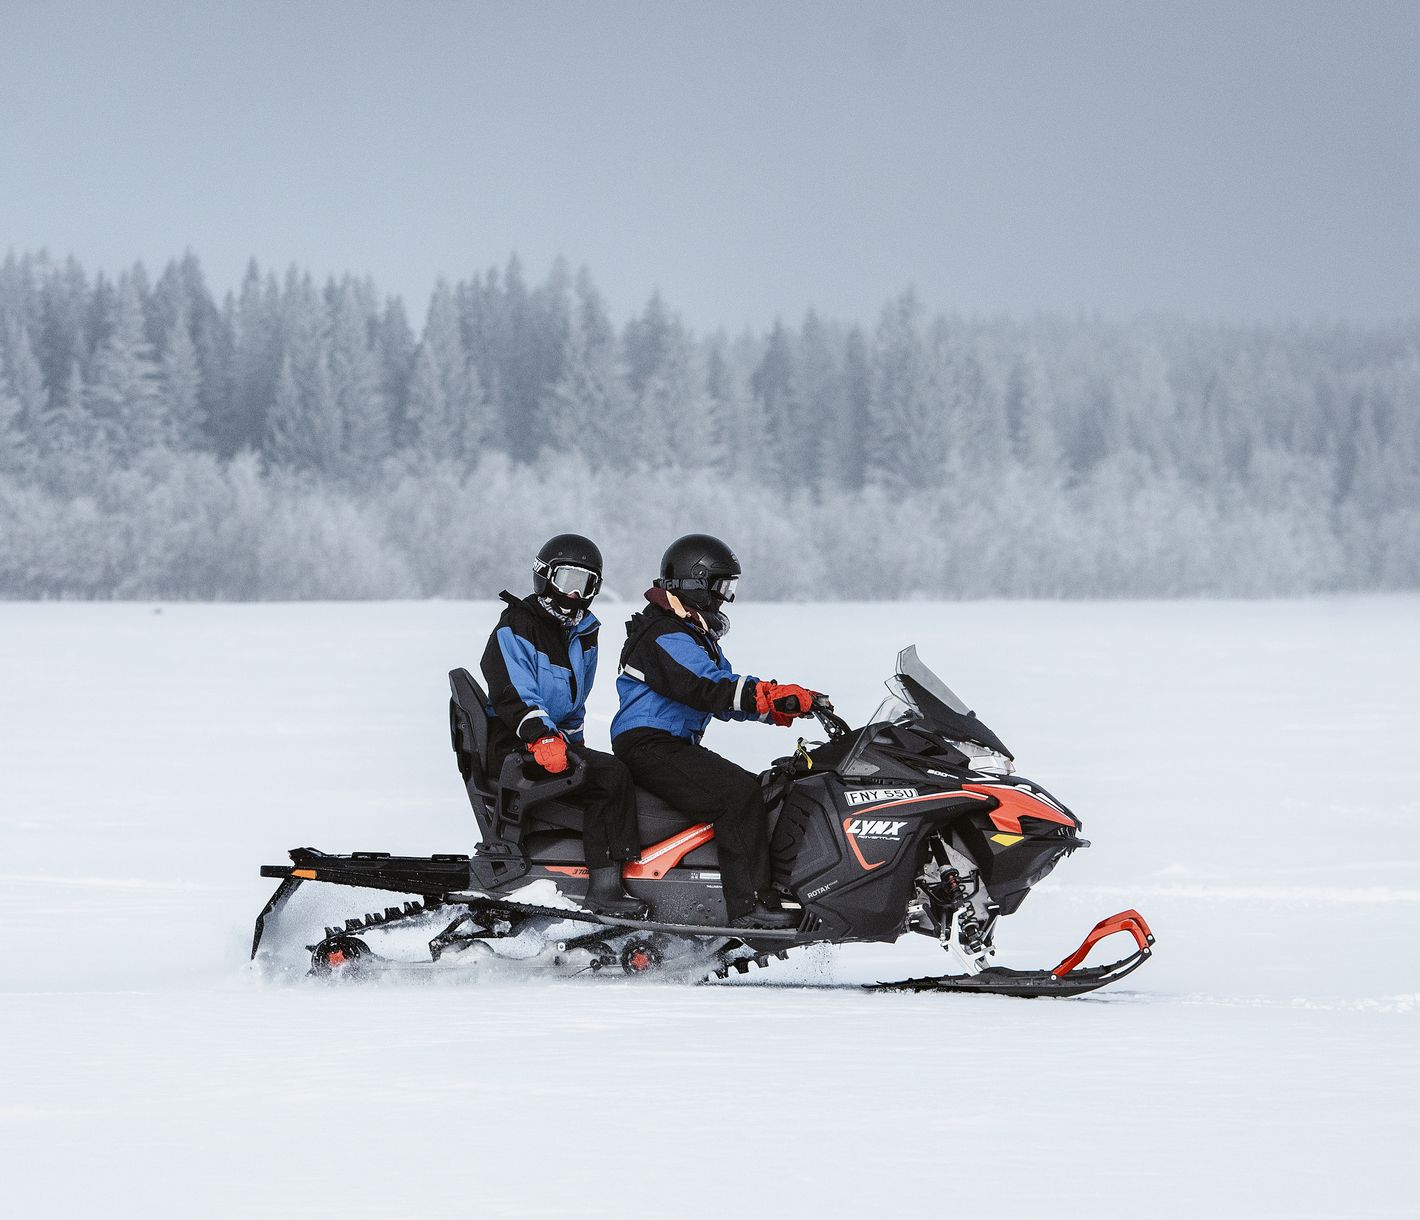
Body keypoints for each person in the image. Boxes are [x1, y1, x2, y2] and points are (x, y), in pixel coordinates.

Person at [611, 533, 823, 929]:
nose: (726, 598)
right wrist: (772, 697)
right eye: (722, 586)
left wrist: (779, 709)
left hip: (666, 742)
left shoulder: (690, 633)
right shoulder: (663, 634)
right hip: (648, 743)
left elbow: (723, 694)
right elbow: (707, 687)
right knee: (737, 796)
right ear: (696, 584)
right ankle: (750, 908)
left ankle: (760, 890)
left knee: (762, 789)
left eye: (730, 587)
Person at [481, 533, 648, 918]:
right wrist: (540, 737)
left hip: (547, 743)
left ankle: (585, 863)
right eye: (567, 581)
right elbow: (513, 692)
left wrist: (575, 747)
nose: (573, 594)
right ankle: (605, 888)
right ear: (544, 577)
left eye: (584, 584)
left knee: (609, 771)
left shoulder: (581, 634)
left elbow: (573, 706)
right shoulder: (517, 626)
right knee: (611, 776)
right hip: (514, 746)